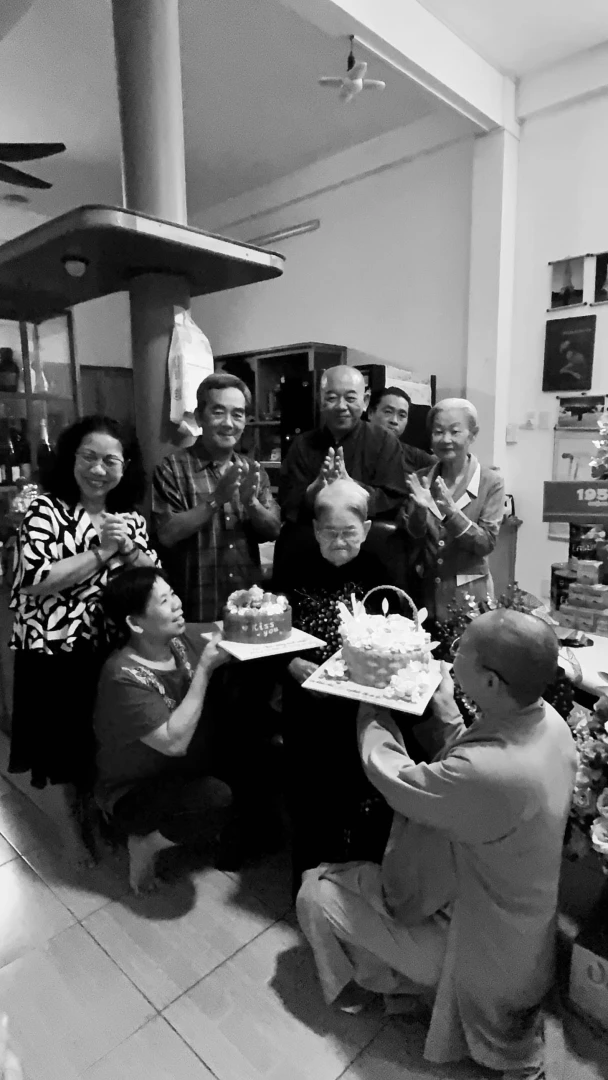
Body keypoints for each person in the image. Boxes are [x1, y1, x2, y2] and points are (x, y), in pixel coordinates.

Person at [297, 609, 577, 1080]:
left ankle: (382, 987)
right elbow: (469, 754)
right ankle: (411, 983)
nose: (449, 653)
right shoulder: (547, 723)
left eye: (462, 649)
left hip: (477, 944)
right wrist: (444, 706)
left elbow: (394, 775)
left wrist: (372, 702)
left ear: (490, 681)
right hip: (524, 934)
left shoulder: (492, 772)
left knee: (315, 892)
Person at [9, 415, 158, 860]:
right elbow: (35, 579)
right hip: (54, 652)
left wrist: (128, 548)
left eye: (110, 461)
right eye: (88, 457)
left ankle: (101, 815)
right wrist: (103, 551)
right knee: (63, 749)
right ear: (70, 459)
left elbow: (152, 578)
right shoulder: (45, 510)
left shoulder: (129, 519)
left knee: (102, 743)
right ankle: (75, 833)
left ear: (125, 467)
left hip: (110, 652)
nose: (98, 469)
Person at [276, 480, 398, 894]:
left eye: (349, 532)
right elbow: (272, 634)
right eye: (330, 532)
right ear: (315, 529)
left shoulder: (381, 571)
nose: (340, 541)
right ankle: (308, 887)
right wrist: (290, 664)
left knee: (362, 792)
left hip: (361, 705)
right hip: (306, 704)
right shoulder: (294, 567)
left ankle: (357, 884)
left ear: (366, 529)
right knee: (309, 796)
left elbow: (401, 633)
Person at [95, 568, 232, 894]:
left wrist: (251, 608)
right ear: (135, 623)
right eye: (164, 601)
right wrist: (205, 669)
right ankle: (144, 844)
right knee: (215, 798)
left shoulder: (179, 640)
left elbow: (229, 629)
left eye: (173, 594)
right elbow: (174, 743)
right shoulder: (122, 675)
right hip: (132, 791)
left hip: (180, 771)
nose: (177, 604)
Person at [152, 372, 280, 623]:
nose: (229, 423)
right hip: (194, 610)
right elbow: (166, 534)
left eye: (238, 414)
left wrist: (252, 504)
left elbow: (273, 529)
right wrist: (215, 500)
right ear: (200, 416)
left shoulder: (252, 470)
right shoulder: (172, 468)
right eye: (218, 412)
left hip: (247, 611)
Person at [405, 397, 504, 621]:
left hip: (469, 599)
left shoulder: (491, 482)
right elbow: (413, 539)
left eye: (455, 431)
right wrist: (419, 512)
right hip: (427, 597)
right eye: (438, 432)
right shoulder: (421, 478)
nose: (446, 439)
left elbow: (486, 543)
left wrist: (453, 515)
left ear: (473, 435)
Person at [278, 367, 407, 526]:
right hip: (313, 536)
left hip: (369, 536)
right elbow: (287, 502)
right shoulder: (302, 445)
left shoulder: (385, 442)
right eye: (332, 398)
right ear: (320, 401)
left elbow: (395, 499)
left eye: (350, 398)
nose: (341, 406)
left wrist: (353, 489)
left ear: (365, 401)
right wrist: (313, 492)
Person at [367, 386, 434, 474]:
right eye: (388, 412)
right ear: (371, 413)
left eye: (402, 415)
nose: (394, 421)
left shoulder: (416, 457)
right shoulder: (354, 447)